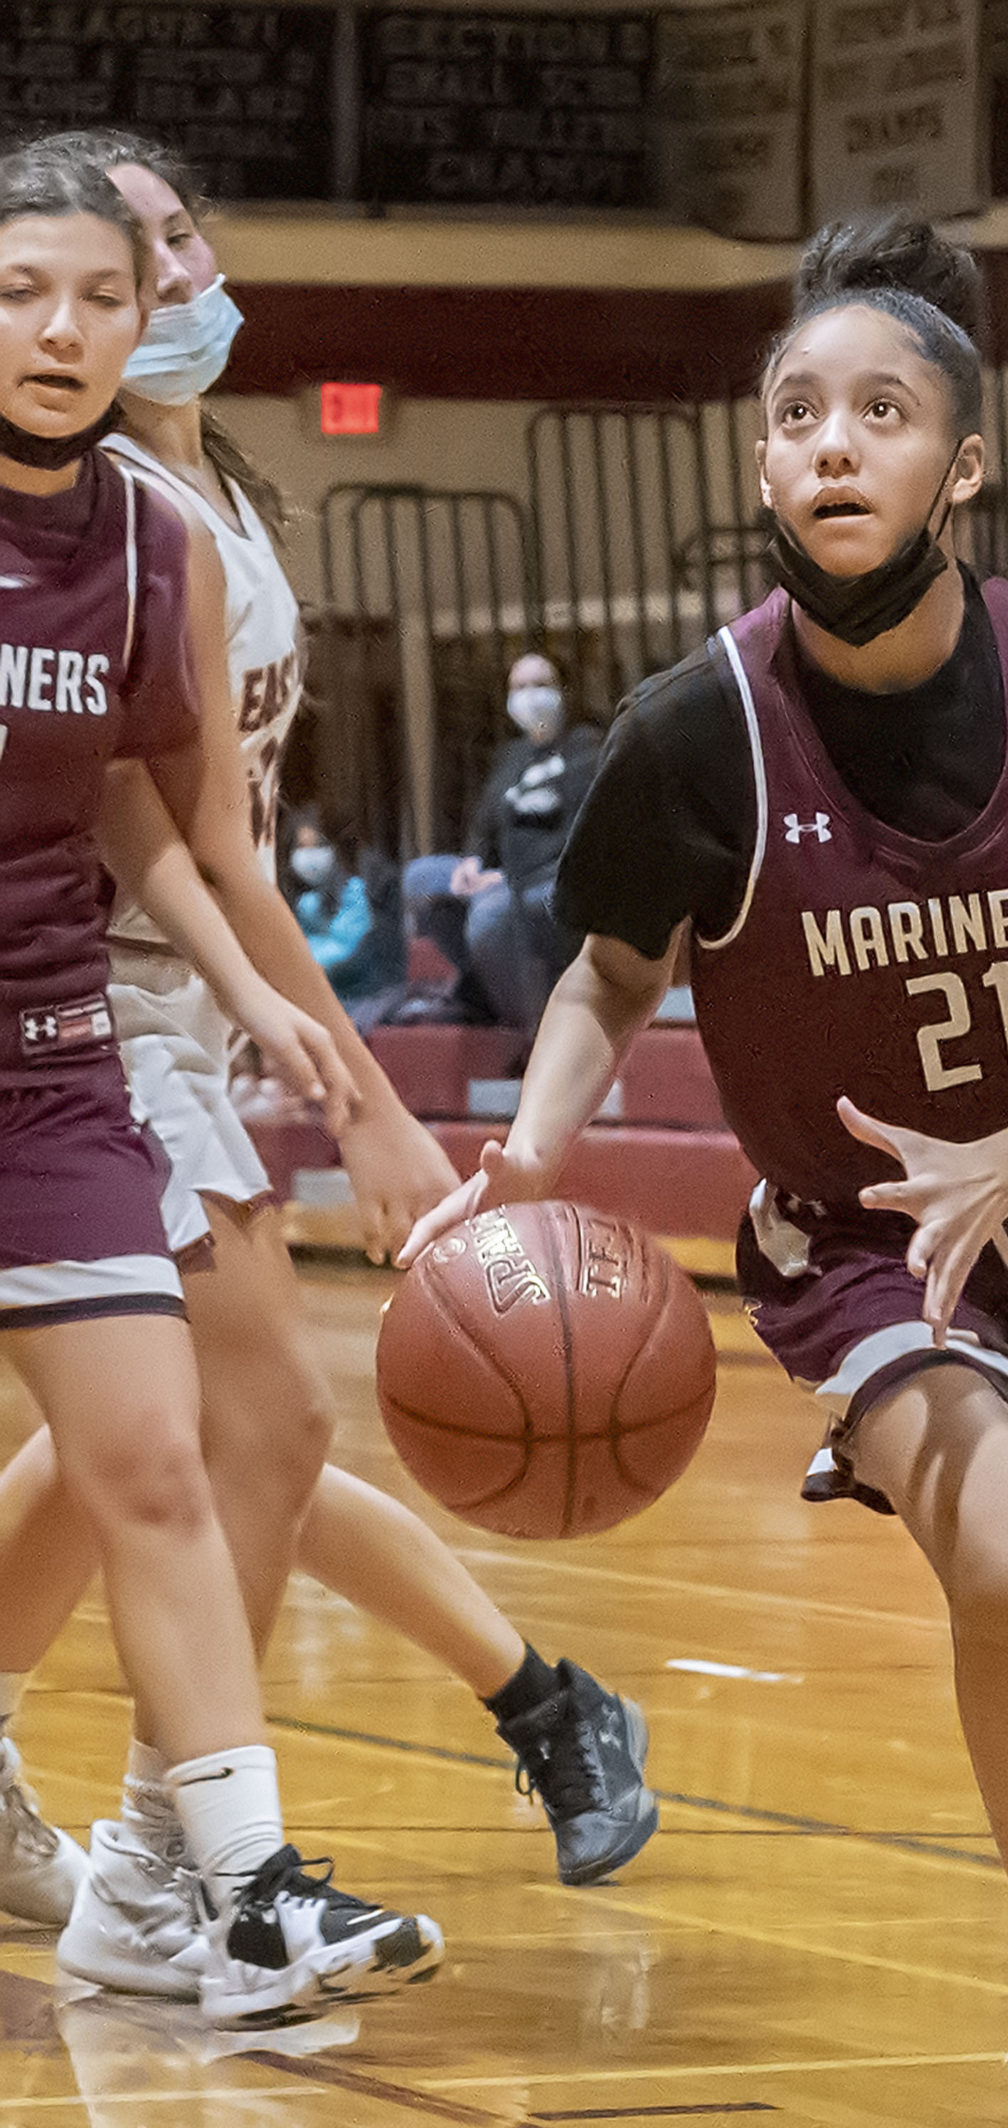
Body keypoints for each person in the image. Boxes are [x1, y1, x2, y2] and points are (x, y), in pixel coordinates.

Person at [404, 211, 1008, 2128]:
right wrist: (539, 1153)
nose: (833, 444)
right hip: (869, 1237)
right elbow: (603, 974)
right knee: (1002, 1564)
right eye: (798, 414)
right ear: (761, 466)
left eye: (882, 412)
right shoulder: (687, 732)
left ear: (962, 463)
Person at [0, 132, 654, 1958]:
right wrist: (365, 1094)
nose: (166, 282)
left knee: (175, 1434)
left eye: (169, 244)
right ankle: (182, 1860)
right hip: (100, 998)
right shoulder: (78, 507)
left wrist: (301, 1035)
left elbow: (227, 841)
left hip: (191, 1003)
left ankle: (455, 1727)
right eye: (103, 262)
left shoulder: (200, 512)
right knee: (254, 1423)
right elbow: (177, 844)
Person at [0, 137, 445, 2012]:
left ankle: (239, 1889)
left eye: (103, 292)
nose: (66, 324)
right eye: (24, 288)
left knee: (158, 1465)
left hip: (49, 1065)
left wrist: (274, 1009)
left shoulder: (150, 541)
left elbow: (146, 811)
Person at [404, 653, 597, 1031]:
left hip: (549, 879)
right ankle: (486, 990)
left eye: (541, 685)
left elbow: (580, 833)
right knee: (421, 878)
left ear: (564, 691)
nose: (530, 697)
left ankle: (534, 1028)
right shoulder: (512, 756)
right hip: (503, 875)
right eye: (520, 688)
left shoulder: (586, 749)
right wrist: (472, 864)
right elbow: (486, 824)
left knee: (489, 915)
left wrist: (505, 878)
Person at [284, 810, 388, 1000]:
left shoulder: (353, 891)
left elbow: (348, 947)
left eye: (318, 845)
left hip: (352, 993)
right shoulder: (293, 896)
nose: (309, 855)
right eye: (301, 846)